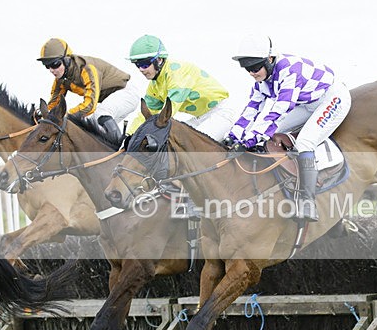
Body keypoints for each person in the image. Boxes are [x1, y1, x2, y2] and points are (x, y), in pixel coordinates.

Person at [229, 35, 351, 221]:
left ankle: (307, 201)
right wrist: (234, 137)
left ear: (270, 59)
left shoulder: (289, 70)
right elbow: (250, 111)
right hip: (305, 103)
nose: (252, 73)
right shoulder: (260, 83)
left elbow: (280, 110)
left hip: (331, 98)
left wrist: (251, 139)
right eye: (247, 68)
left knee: (304, 143)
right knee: (269, 136)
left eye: (255, 67)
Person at [126, 34, 236, 139]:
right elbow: (144, 116)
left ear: (159, 60)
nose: (141, 69)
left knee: (191, 149)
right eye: (138, 65)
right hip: (200, 117)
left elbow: (167, 114)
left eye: (145, 64)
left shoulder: (177, 73)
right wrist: (128, 136)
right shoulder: (155, 86)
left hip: (221, 112)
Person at [37, 38, 140, 143]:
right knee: (91, 128)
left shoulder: (87, 69)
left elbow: (89, 105)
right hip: (110, 99)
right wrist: (41, 117)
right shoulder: (60, 80)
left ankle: (120, 150)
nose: (51, 70)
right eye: (47, 65)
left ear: (67, 59)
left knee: (101, 114)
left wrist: (66, 116)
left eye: (55, 64)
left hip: (127, 92)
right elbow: (53, 105)